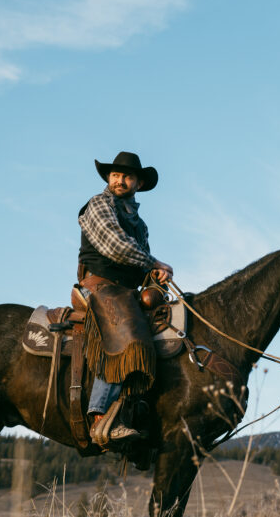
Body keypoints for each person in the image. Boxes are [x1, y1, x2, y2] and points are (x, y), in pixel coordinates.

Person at [77, 151, 174, 443]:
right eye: (116, 175)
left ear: (138, 183)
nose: (120, 180)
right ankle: (99, 417)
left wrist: (155, 277)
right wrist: (154, 263)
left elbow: (139, 260)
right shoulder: (99, 205)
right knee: (126, 332)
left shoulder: (140, 224)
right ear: (109, 178)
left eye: (127, 176)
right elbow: (116, 246)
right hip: (100, 285)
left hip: (126, 289)